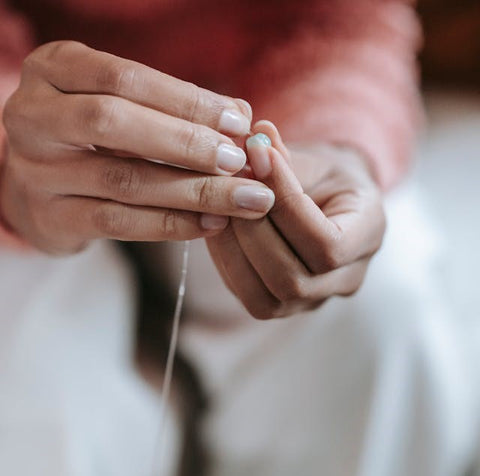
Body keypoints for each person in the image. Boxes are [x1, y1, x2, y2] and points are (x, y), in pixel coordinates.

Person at [4, 1, 472, 476]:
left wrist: (337, 150)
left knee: (378, 312)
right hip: (30, 133)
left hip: (281, 114)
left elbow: (345, 23)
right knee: (35, 391)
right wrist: (11, 162)